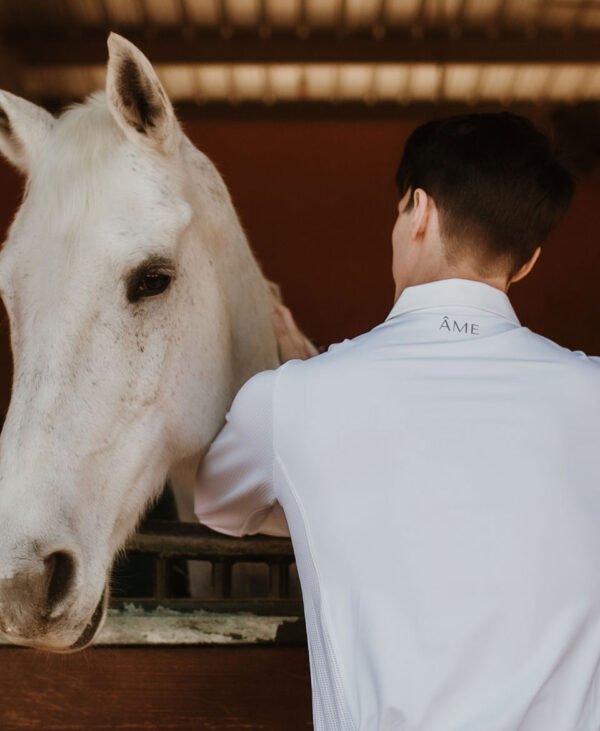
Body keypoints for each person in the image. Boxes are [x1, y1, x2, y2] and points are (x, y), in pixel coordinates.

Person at [195, 112, 600, 730]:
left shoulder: (290, 401)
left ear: (419, 210)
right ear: (526, 263)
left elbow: (218, 507)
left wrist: (321, 473)